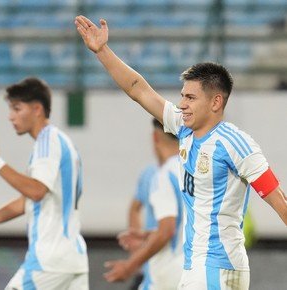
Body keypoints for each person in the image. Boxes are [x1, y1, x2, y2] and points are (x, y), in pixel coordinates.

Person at [75, 15, 287, 290]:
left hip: (219, 268)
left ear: (216, 102)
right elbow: (138, 89)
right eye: (182, 96)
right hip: (194, 267)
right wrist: (102, 51)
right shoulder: (184, 130)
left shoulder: (236, 144)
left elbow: (279, 200)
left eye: (190, 97)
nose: (182, 104)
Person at [0, 77, 89, 290]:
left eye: (16, 109)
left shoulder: (47, 141)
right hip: (72, 257)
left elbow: (36, 191)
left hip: (49, 260)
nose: (11, 117)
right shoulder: (60, 141)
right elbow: (28, 200)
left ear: (37, 109)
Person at [104, 118, 184, 290]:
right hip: (195, 272)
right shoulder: (195, 172)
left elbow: (167, 230)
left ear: (155, 137)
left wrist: (130, 265)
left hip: (166, 271)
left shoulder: (163, 176)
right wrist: (146, 236)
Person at [127, 164, 157, 290]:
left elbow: (168, 229)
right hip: (152, 261)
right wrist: (137, 242)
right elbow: (135, 208)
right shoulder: (151, 173)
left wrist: (129, 266)